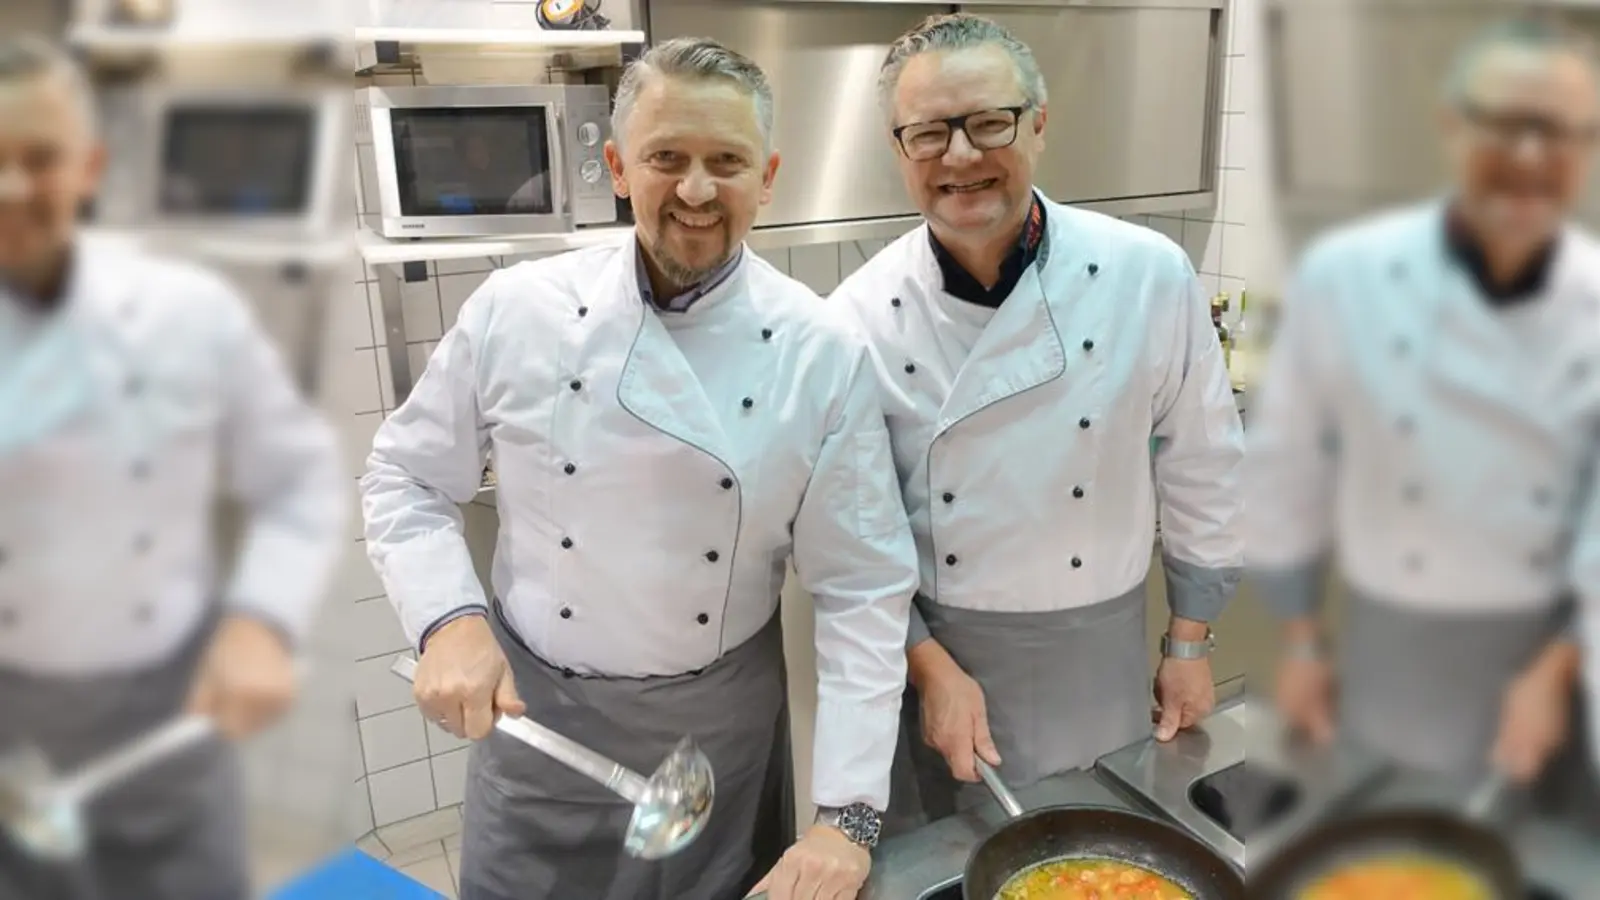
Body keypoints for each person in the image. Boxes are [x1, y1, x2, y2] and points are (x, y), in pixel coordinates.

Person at [360, 37, 920, 900]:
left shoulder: (821, 350)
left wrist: (846, 817)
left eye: (726, 162)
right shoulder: (517, 311)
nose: (696, 190)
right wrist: (448, 621)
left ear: (768, 178)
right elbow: (404, 477)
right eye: (667, 158)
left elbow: (861, 587)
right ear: (619, 166)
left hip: (715, 742)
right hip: (537, 723)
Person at [829, 12, 1245, 836]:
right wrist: (928, 668)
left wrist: (1189, 642)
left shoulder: (1146, 274)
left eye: (989, 122)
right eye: (929, 133)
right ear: (898, 149)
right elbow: (852, 539)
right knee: (954, 866)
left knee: (1106, 855)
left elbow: (1203, 464)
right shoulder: (855, 319)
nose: (961, 156)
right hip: (941, 673)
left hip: (1102, 659)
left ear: (1039, 125)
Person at [0, 36, 346, 900]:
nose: (10, 188)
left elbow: (300, 478)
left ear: (90, 167)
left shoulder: (186, 313)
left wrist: (261, 622)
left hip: (168, 720)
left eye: (37, 159)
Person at [1249, 15, 1600, 826]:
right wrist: (1300, 638)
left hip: (1555, 651)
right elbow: (1288, 464)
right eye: (1507, 125)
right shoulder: (1348, 276)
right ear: (1452, 127)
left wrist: (1555, 672)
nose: (1530, 157)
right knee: (1387, 840)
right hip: (1386, 651)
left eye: (1564, 135)